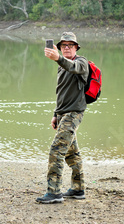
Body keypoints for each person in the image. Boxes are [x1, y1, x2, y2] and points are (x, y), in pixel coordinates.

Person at [36, 32, 89, 204]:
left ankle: (54, 192)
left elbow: (72, 67)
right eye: (63, 45)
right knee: (72, 154)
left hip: (74, 114)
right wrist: (55, 115)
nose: (67, 48)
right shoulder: (61, 66)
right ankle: (78, 188)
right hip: (63, 114)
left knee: (56, 150)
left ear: (76, 48)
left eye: (70, 45)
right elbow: (61, 93)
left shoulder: (82, 63)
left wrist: (58, 58)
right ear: (59, 47)